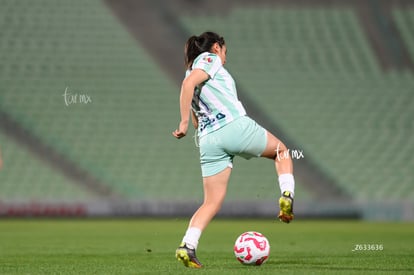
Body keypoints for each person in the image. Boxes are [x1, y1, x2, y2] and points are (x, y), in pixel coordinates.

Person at [172, 31, 295, 268]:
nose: (225, 56)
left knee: (211, 202)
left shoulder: (193, 72)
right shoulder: (209, 59)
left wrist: (194, 124)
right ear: (217, 47)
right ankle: (287, 195)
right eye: (225, 50)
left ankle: (188, 245)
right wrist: (183, 123)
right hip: (233, 125)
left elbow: (197, 108)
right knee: (282, 152)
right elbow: (188, 85)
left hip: (208, 140)